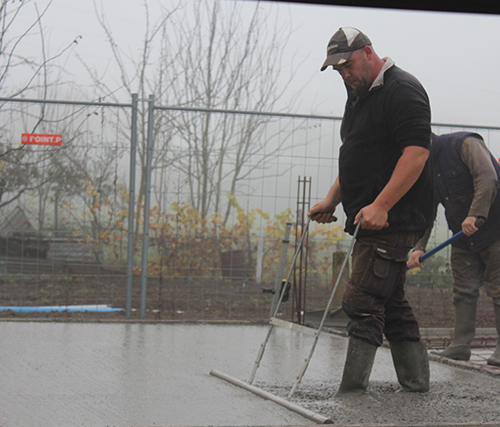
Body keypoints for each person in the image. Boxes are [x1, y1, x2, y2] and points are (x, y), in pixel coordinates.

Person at [308, 27, 434, 396]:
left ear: (367, 52)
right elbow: (357, 154)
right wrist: (333, 198)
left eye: (346, 65)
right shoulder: (359, 93)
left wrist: (381, 204)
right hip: (369, 215)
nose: (343, 74)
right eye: (337, 70)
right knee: (389, 301)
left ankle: (351, 392)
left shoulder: (402, 90)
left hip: (395, 216)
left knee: (362, 300)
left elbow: (417, 152)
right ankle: (416, 383)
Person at [408, 132, 500, 366]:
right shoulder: (424, 165)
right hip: (463, 238)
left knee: (499, 289)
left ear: (426, 139)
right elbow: (427, 209)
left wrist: (475, 214)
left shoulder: (465, 144)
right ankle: (460, 346)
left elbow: (487, 177)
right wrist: (419, 248)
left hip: (495, 230)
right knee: (463, 290)